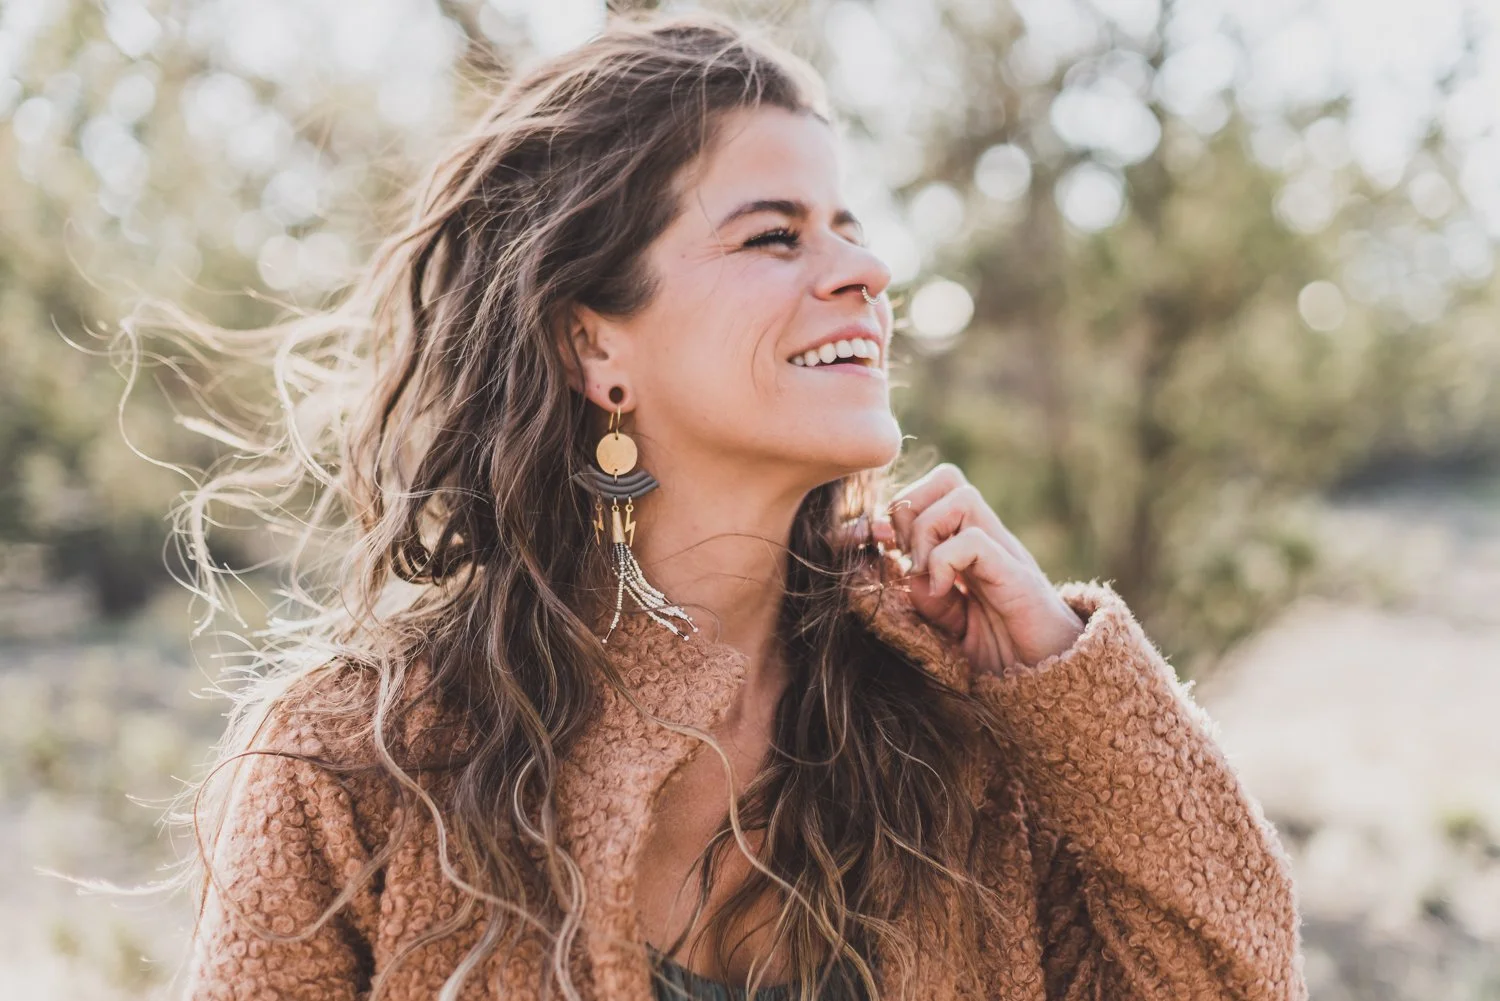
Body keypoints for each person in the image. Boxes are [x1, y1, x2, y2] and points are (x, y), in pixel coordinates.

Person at [167, 10, 1308, 1001]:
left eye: (850, 229)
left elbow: (1231, 979)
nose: (867, 273)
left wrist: (1064, 677)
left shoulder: (963, 734)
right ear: (593, 344)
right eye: (776, 235)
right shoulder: (360, 764)